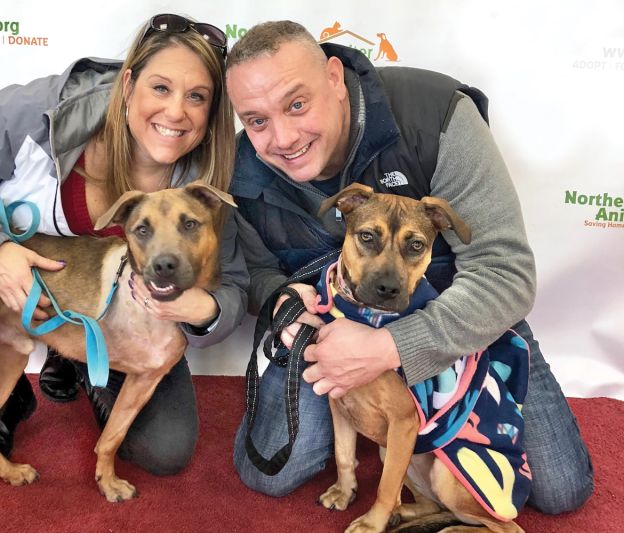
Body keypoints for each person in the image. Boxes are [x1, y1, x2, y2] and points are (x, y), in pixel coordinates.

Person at [0, 13, 247, 477]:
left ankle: (78, 365)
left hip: (122, 321)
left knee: (164, 450)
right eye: (160, 88)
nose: (176, 112)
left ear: (212, 109)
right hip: (0, 279)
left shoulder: (208, 182)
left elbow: (232, 286)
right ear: (129, 81)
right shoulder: (42, 110)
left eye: (196, 97)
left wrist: (205, 311)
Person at [226, 21, 593, 515]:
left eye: (296, 104)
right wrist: (282, 301)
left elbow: (503, 271)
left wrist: (391, 347)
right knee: (268, 473)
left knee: (561, 491)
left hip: (453, 320)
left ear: (334, 77)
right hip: (329, 327)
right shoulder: (243, 168)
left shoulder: (436, 116)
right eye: (256, 120)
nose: (283, 137)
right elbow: (253, 272)